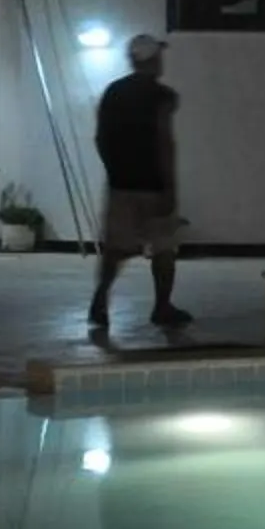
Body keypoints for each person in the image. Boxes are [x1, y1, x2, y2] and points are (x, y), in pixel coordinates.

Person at [89, 34, 192, 333]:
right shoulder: (163, 96)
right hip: (153, 183)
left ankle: (100, 299)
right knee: (163, 248)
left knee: (115, 248)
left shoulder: (113, 92)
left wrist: (114, 171)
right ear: (154, 59)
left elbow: (100, 138)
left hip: (121, 184)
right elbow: (164, 141)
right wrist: (170, 187)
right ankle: (162, 306)